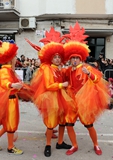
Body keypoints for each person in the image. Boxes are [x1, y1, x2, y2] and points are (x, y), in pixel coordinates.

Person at [63, 21, 111, 156]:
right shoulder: (67, 70)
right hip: (71, 100)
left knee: (89, 125)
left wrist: (89, 73)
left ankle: (96, 144)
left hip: (84, 101)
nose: (74, 61)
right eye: (72, 58)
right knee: (69, 124)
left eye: (76, 58)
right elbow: (62, 78)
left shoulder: (87, 68)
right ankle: (74, 145)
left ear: (81, 58)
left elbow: (97, 81)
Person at [26, 27, 73, 157]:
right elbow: (48, 85)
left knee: (63, 120)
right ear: (51, 59)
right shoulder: (47, 69)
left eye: (59, 57)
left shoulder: (59, 69)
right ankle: (48, 145)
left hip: (61, 96)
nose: (57, 59)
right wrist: (61, 84)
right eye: (55, 57)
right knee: (51, 123)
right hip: (51, 97)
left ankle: (60, 142)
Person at [0, 41, 33, 155]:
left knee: (7, 124)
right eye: (14, 56)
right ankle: (10, 147)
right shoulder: (5, 70)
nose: (16, 58)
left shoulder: (10, 71)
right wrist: (12, 85)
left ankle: (10, 146)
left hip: (12, 100)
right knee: (10, 124)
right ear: (9, 58)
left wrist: (25, 89)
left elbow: (17, 84)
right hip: (9, 101)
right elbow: (5, 82)